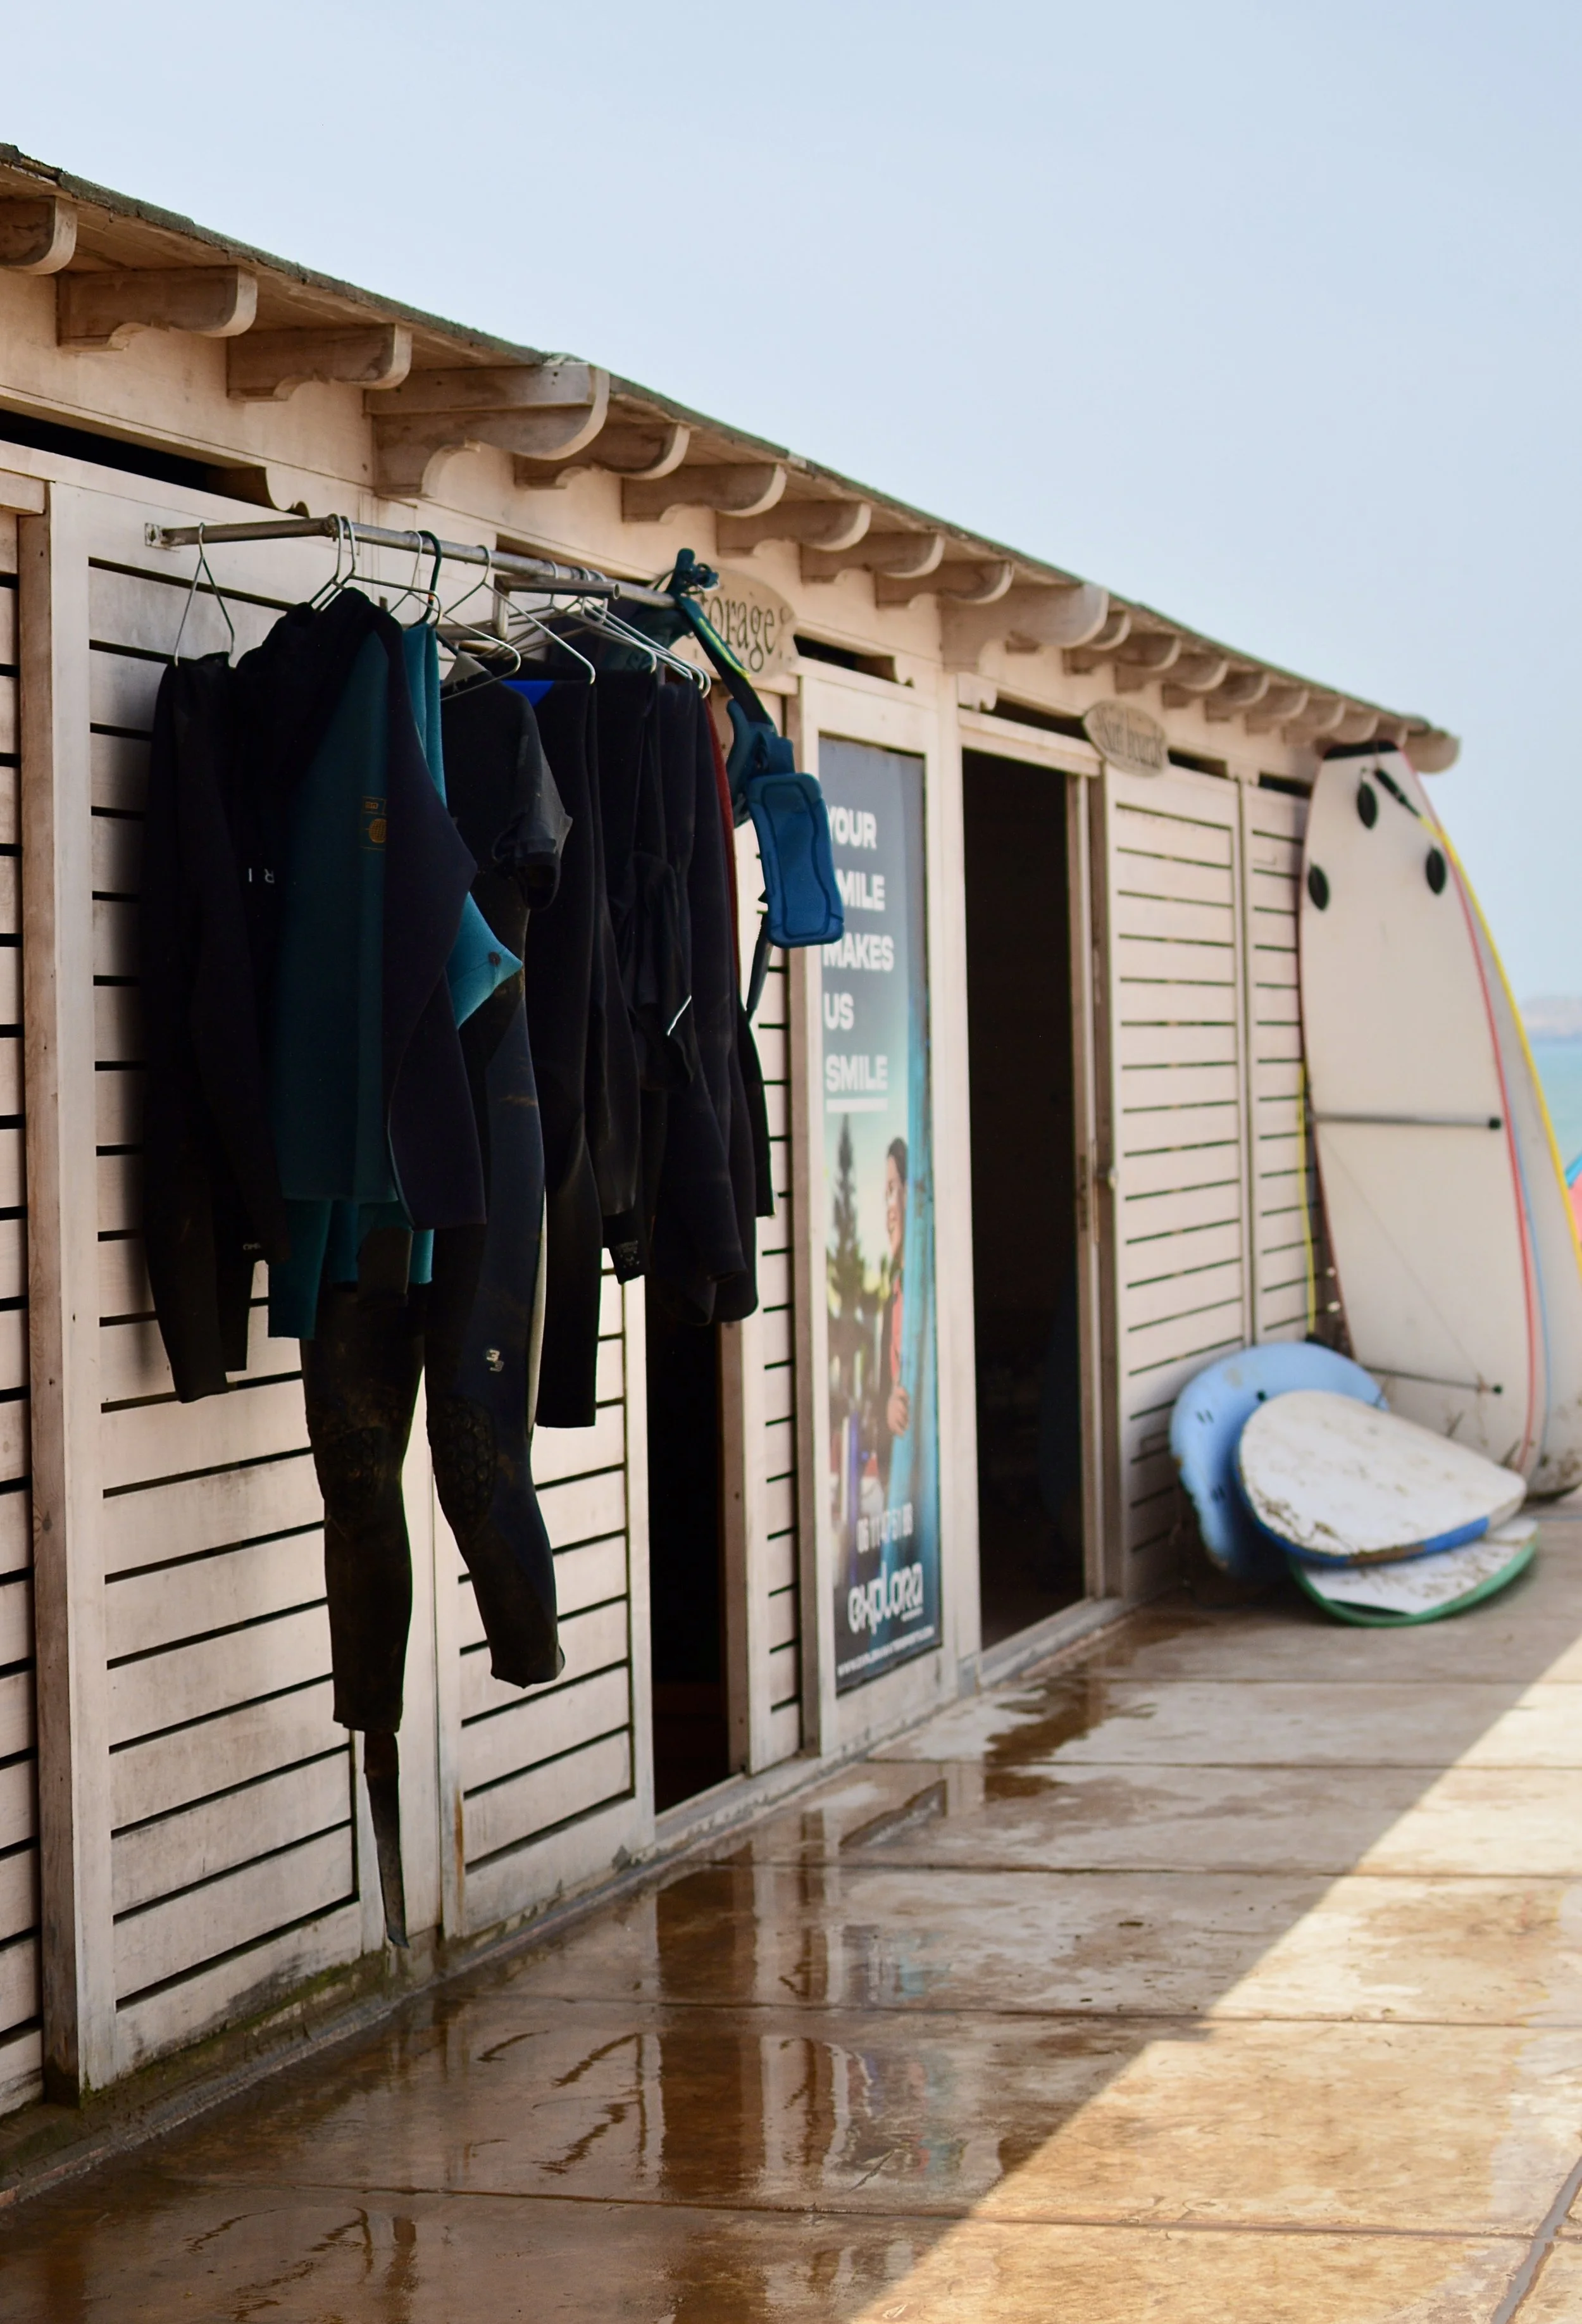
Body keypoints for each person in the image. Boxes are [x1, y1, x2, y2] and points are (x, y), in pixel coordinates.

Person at [878, 1137, 910, 1482]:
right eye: (883, 1195)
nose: (888, 1207)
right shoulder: (894, 1296)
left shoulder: (921, 1291)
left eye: (893, 1190)